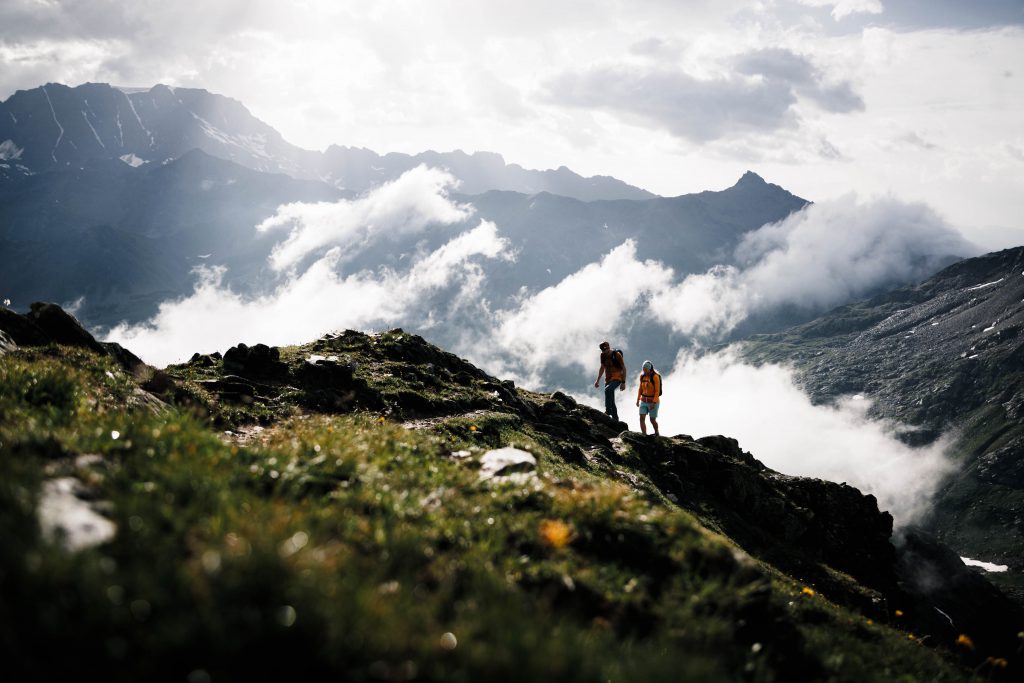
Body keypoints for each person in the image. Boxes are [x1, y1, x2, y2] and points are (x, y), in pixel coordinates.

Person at [594, 341, 626, 422]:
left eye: (606, 348)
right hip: (608, 379)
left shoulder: (616, 355)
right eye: (603, 350)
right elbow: (602, 368)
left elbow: (623, 368)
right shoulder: (603, 355)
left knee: (607, 390)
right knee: (611, 399)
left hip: (617, 378)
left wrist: (623, 382)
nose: (605, 351)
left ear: (608, 347)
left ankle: (608, 411)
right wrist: (597, 380)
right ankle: (615, 418)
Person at [636, 360, 661, 436]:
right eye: (643, 369)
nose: (644, 371)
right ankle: (644, 435)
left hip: (653, 402)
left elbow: (657, 391)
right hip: (643, 401)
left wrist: (654, 403)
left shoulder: (655, 377)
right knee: (641, 418)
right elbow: (640, 388)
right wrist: (638, 399)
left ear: (650, 369)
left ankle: (656, 432)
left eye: (646, 370)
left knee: (652, 420)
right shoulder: (642, 376)